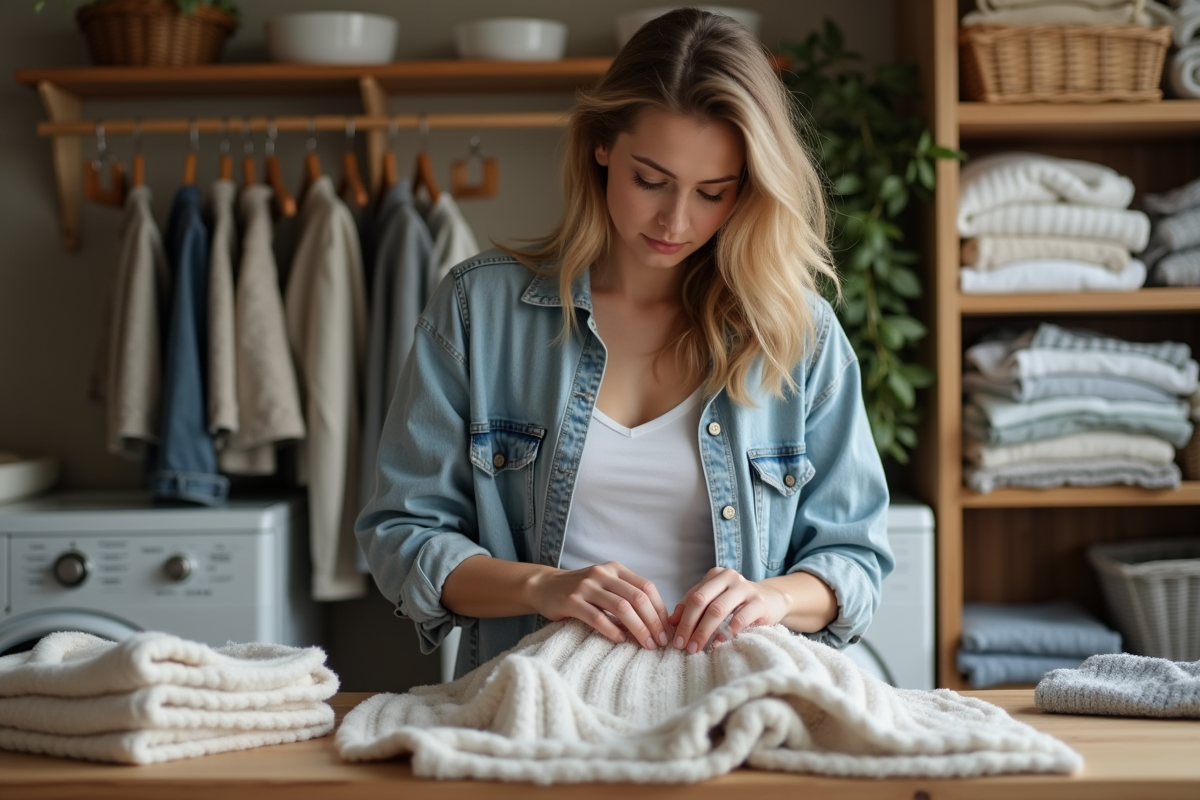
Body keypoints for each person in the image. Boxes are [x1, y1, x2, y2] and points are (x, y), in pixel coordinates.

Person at [356, 8, 893, 679]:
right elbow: (402, 536)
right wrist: (542, 588)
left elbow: (856, 561)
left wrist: (767, 598)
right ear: (602, 146)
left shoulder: (798, 332)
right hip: (539, 699)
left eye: (713, 193)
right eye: (651, 179)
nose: (676, 220)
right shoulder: (477, 310)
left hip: (736, 701)